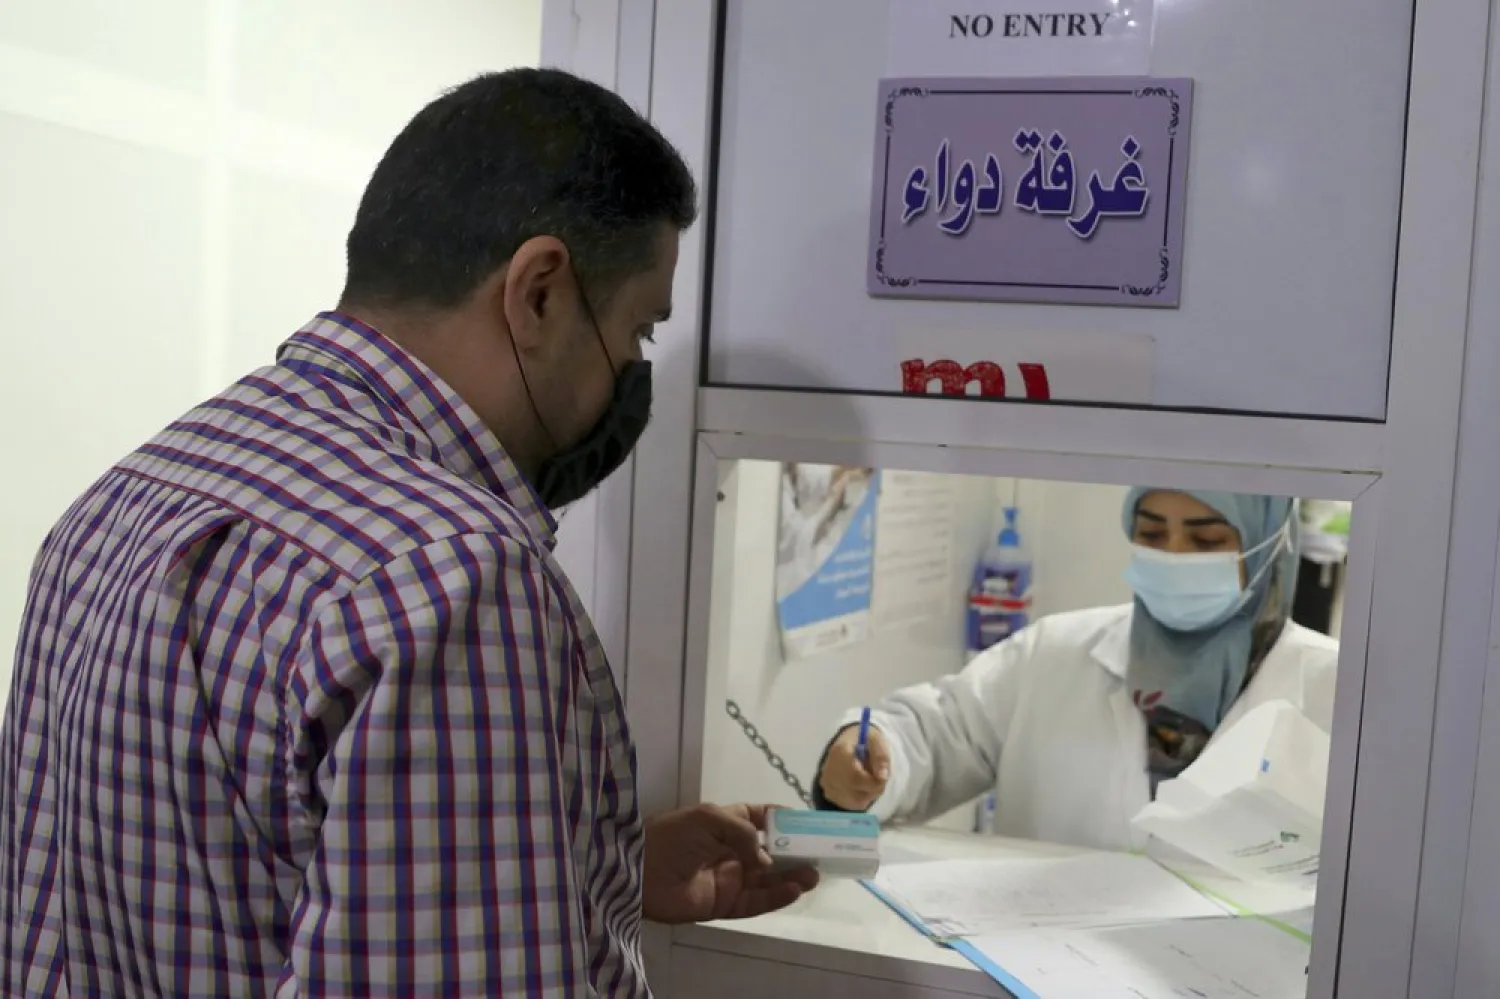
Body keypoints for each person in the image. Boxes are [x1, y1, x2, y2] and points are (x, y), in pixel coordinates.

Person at [0, 69, 815, 997]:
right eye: (636, 332)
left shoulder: (122, 497)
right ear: (540, 292)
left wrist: (597, 866)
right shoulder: (448, 575)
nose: (629, 372)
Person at [814, 488, 1338, 852]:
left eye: (1206, 542)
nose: (1175, 557)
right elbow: (935, 733)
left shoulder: (1333, 688)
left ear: (1270, 546)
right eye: (1152, 535)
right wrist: (869, 760)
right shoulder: (1056, 651)